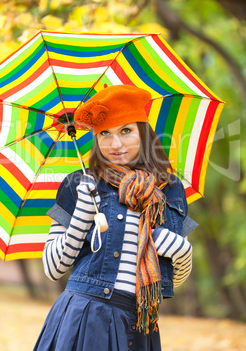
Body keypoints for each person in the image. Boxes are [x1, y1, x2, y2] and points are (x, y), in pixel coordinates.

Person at [34, 85, 197, 351]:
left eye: (125, 131)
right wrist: (82, 216)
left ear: (143, 133)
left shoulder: (171, 189)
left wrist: (183, 252)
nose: (116, 144)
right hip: (85, 317)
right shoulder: (79, 183)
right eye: (105, 134)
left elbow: (170, 280)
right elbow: (53, 269)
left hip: (140, 324)